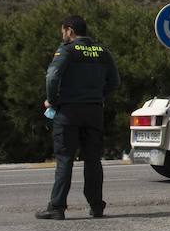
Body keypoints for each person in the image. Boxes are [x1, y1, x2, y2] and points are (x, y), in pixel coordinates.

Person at [36, 15, 120, 220]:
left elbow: (52, 76)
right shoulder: (102, 51)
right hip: (94, 112)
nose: (62, 35)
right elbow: (115, 82)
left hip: (69, 112)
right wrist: (98, 96)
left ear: (70, 30)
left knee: (65, 158)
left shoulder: (66, 50)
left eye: (63, 31)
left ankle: (56, 207)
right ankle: (97, 206)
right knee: (93, 160)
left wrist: (52, 100)